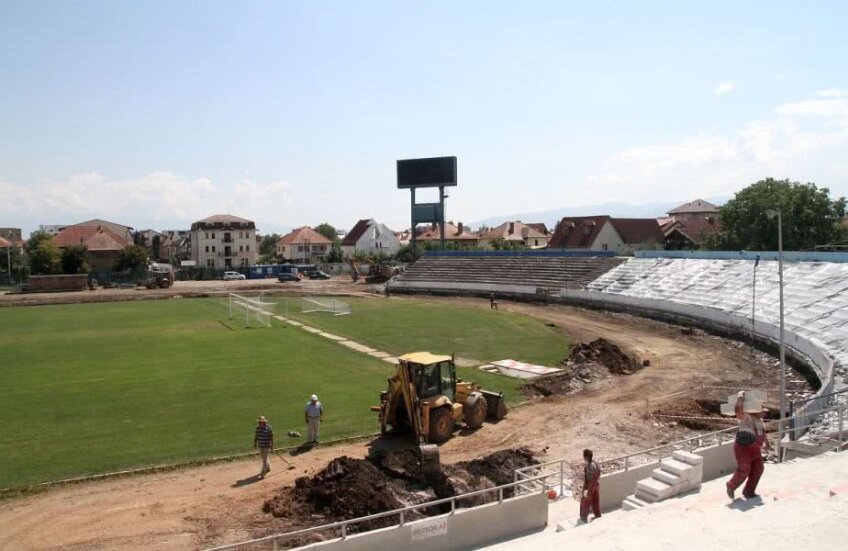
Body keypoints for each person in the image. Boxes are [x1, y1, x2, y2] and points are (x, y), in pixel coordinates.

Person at [726, 390, 772, 499]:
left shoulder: (760, 421)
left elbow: (762, 433)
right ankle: (731, 486)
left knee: (758, 469)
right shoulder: (746, 417)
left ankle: (749, 491)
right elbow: (737, 410)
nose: (764, 413)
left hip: (755, 449)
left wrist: (767, 444)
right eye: (762, 411)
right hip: (743, 448)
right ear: (754, 410)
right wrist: (740, 397)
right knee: (744, 469)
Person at [579, 448, 601, 522]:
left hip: (591, 487)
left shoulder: (589, 467)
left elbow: (589, 480)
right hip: (596, 486)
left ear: (586, 457)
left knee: (585, 502)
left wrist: (586, 490)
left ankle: (583, 518)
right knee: (595, 501)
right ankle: (598, 515)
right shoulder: (596, 463)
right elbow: (599, 473)